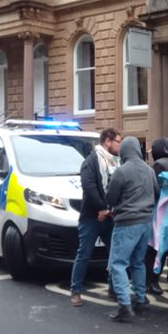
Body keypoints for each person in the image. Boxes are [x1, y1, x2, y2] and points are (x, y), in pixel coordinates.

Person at [106, 136, 159, 322]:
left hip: (127, 222)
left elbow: (111, 199)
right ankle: (140, 298)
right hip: (146, 222)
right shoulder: (149, 170)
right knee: (138, 262)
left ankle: (124, 306)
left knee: (118, 264)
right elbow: (157, 192)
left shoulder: (121, 171)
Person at [69, 127, 121, 306]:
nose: (119, 145)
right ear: (108, 141)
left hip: (110, 216)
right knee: (84, 254)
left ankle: (113, 289)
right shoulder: (91, 161)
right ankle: (75, 291)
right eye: (118, 141)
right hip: (91, 217)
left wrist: (109, 210)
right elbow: (89, 187)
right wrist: (101, 208)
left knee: (114, 253)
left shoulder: (116, 162)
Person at [145, 137, 168, 296]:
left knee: (157, 245)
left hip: (161, 210)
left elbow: (153, 187)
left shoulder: (159, 165)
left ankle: (152, 280)